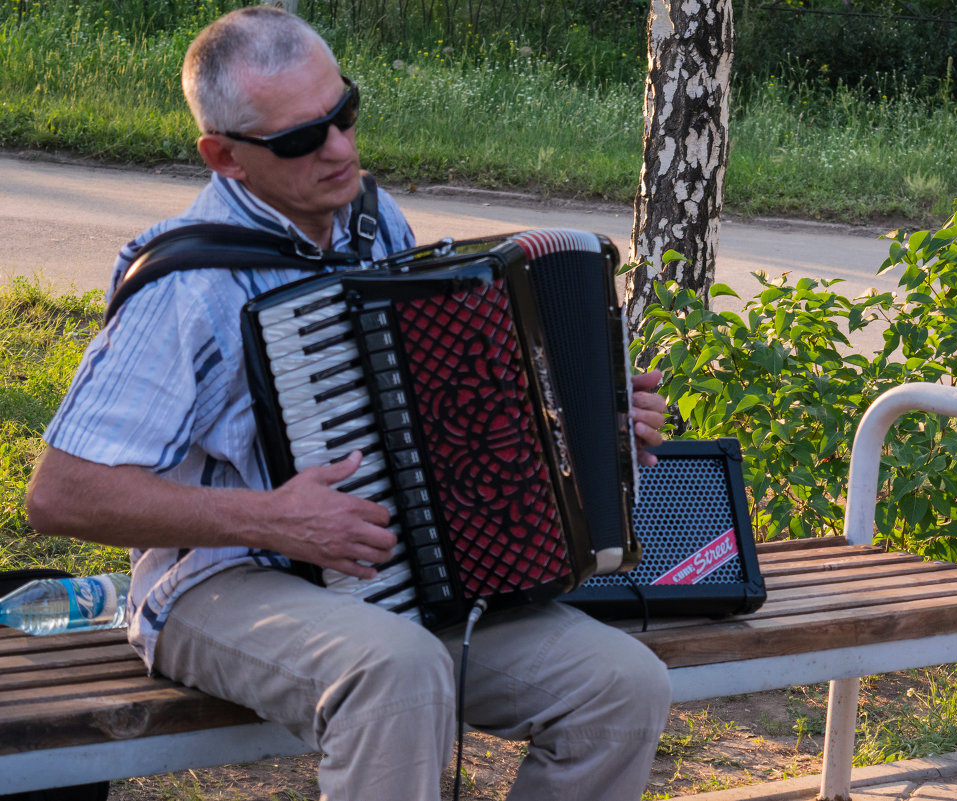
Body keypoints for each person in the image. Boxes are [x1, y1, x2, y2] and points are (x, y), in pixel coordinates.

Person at [24, 7, 671, 801]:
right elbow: (61, 492)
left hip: (402, 575)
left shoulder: (372, 222)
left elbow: (443, 412)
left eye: (344, 115)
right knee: (395, 671)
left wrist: (587, 427)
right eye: (300, 138)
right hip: (220, 582)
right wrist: (273, 518)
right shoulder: (188, 285)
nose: (338, 148)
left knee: (619, 686)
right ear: (223, 155)